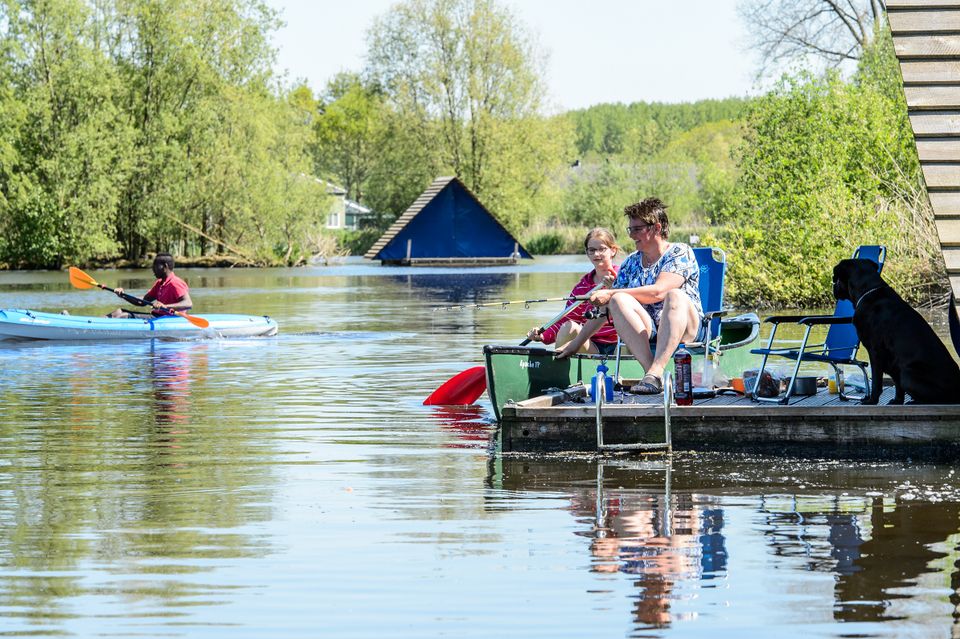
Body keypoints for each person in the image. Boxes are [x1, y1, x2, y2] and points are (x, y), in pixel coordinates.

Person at [557, 198, 703, 394]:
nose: (632, 235)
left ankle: (655, 372)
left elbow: (658, 291)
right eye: (630, 230)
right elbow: (606, 310)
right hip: (651, 327)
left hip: (687, 326)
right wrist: (575, 345)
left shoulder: (680, 252)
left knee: (674, 295)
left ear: (656, 228)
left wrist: (610, 292)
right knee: (617, 300)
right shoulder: (630, 263)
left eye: (637, 229)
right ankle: (652, 375)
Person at [525, 228, 621, 355]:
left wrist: (614, 289)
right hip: (591, 347)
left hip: (622, 346)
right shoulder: (581, 287)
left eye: (602, 249)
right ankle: (558, 364)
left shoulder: (625, 276)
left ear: (613, 250)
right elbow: (566, 318)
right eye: (592, 250)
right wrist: (543, 335)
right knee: (568, 326)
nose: (596, 254)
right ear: (587, 253)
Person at [108, 253, 193, 319]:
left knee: (123, 316)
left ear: (165, 266)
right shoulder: (159, 283)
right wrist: (123, 295)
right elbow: (142, 301)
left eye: (155, 266)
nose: (153, 269)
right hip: (157, 316)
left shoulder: (175, 283)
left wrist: (165, 306)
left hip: (167, 319)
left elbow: (188, 303)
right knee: (118, 312)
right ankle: (98, 324)